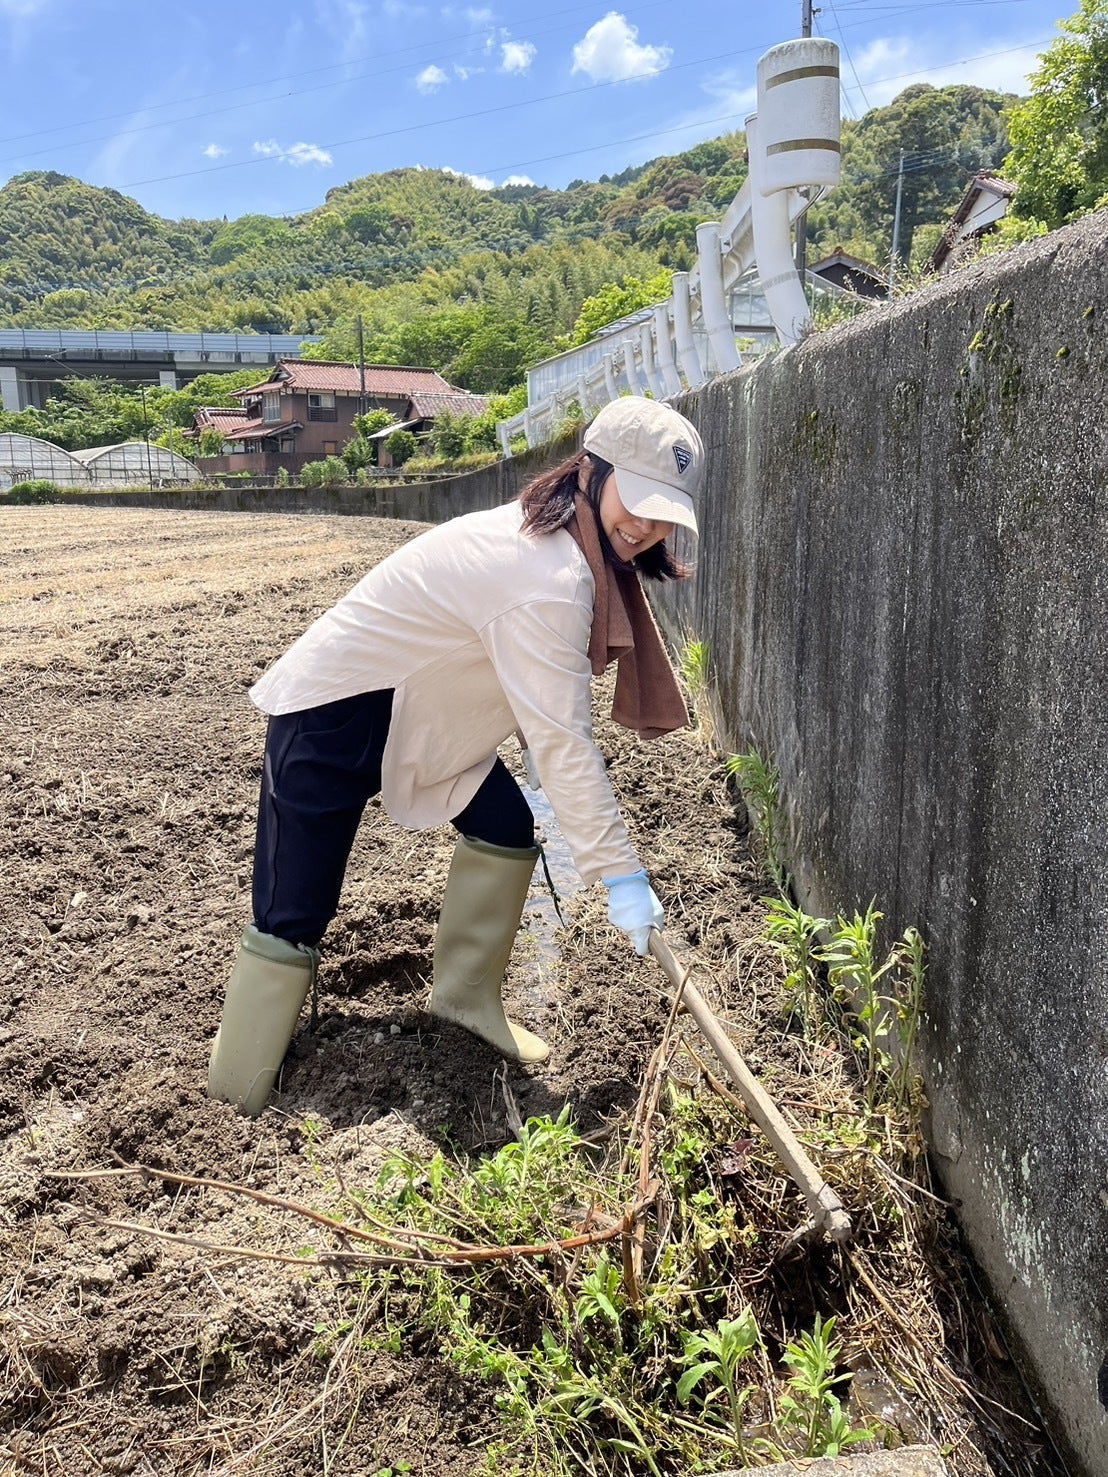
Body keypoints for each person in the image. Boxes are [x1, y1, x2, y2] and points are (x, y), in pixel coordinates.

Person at [208, 396, 705, 1115]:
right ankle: (236, 1091)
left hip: (420, 713)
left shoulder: (570, 549)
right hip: (334, 712)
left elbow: (546, 720)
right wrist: (621, 875)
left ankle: (466, 1001)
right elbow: (563, 742)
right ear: (592, 472)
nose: (648, 528)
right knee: (294, 911)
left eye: (666, 516)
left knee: (505, 826)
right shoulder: (548, 574)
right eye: (639, 502)